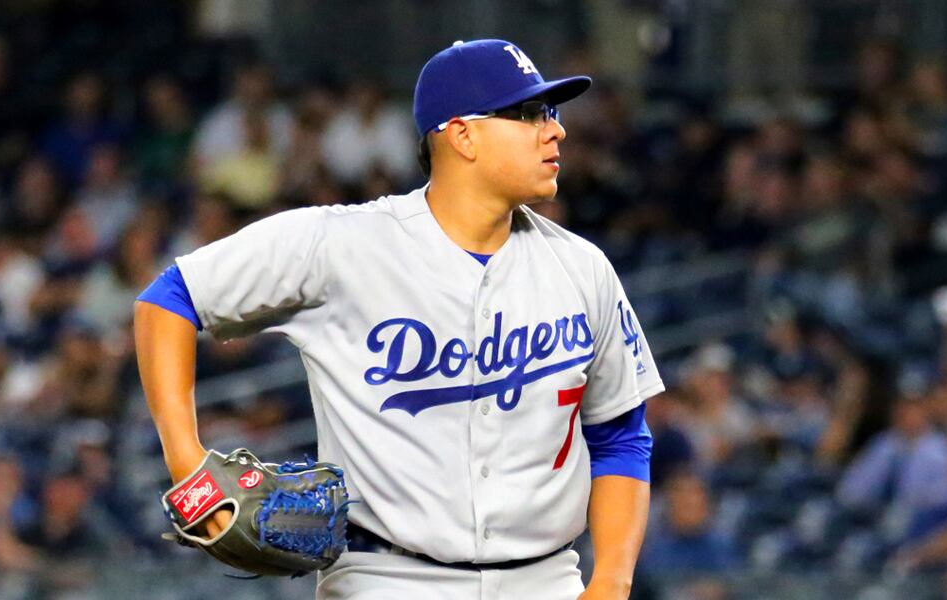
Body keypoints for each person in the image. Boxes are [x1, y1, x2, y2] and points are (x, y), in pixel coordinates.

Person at [135, 39, 663, 600]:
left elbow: (621, 438)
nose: (555, 130)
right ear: (462, 135)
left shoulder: (583, 268)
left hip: (546, 579)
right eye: (529, 114)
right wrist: (187, 464)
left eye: (551, 113)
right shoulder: (341, 245)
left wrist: (611, 579)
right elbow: (170, 297)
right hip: (386, 579)